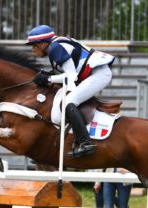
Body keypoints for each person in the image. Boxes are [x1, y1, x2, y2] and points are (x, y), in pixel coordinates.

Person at [26, 25, 115, 158]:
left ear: (43, 43)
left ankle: (86, 143)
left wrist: (48, 79)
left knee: (69, 102)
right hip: (93, 74)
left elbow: (71, 77)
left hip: (98, 74)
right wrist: (47, 76)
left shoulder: (56, 48)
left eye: (34, 45)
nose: (33, 50)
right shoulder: (55, 46)